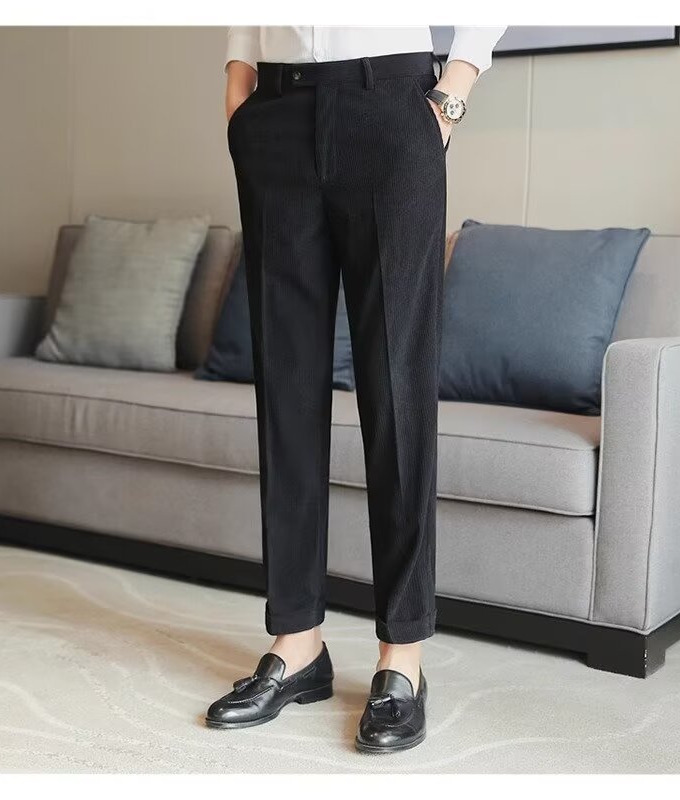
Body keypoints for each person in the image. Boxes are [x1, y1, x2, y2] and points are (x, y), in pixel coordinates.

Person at [206, 25, 507, 754]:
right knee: (285, 387)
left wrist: (450, 95)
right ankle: (297, 642)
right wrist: (240, 92)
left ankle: (402, 657)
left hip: (392, 108)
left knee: (397, 386)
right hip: (275, 113)